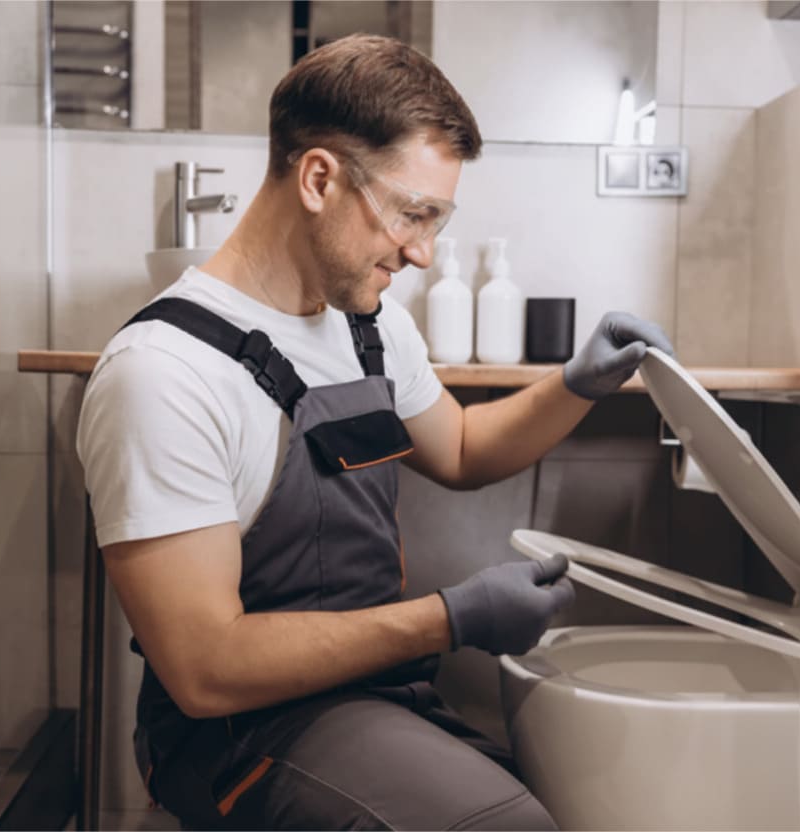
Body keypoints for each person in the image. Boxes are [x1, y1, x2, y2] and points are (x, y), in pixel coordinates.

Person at [77, 33, 674, 831]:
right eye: (410, 214)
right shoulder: (165, 372)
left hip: (376, 693)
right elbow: (203, 670)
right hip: (234, 737)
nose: (424, 252)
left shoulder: (368, 324)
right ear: (319, 178)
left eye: (437, 220)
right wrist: (451, 619)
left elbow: (461, 450)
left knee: (595, 792)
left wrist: (577, 384)